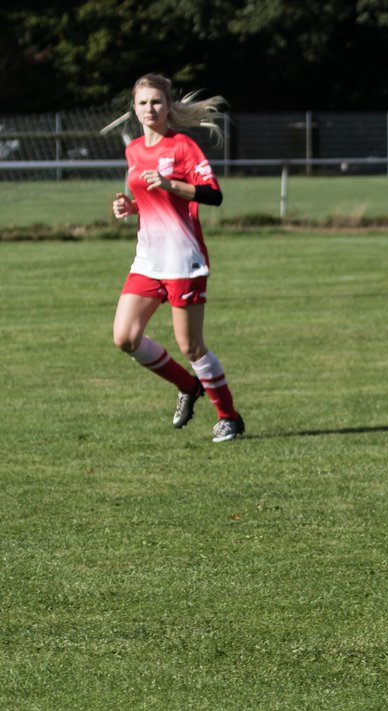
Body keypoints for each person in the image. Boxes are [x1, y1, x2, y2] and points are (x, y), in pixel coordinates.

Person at [110, 73, 245, 442]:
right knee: (125, 337)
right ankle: (188, 386)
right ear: (134, 109)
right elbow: (153, 201)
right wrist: (131, 206)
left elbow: (213, 195)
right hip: (147, 260)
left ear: (168, 106)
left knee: (191, 345)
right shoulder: (133, 150)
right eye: (142, 103)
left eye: (156, 101)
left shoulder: (183, 146)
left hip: (183, 260)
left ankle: (229, 417)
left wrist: (171, 183)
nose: (149, 108)